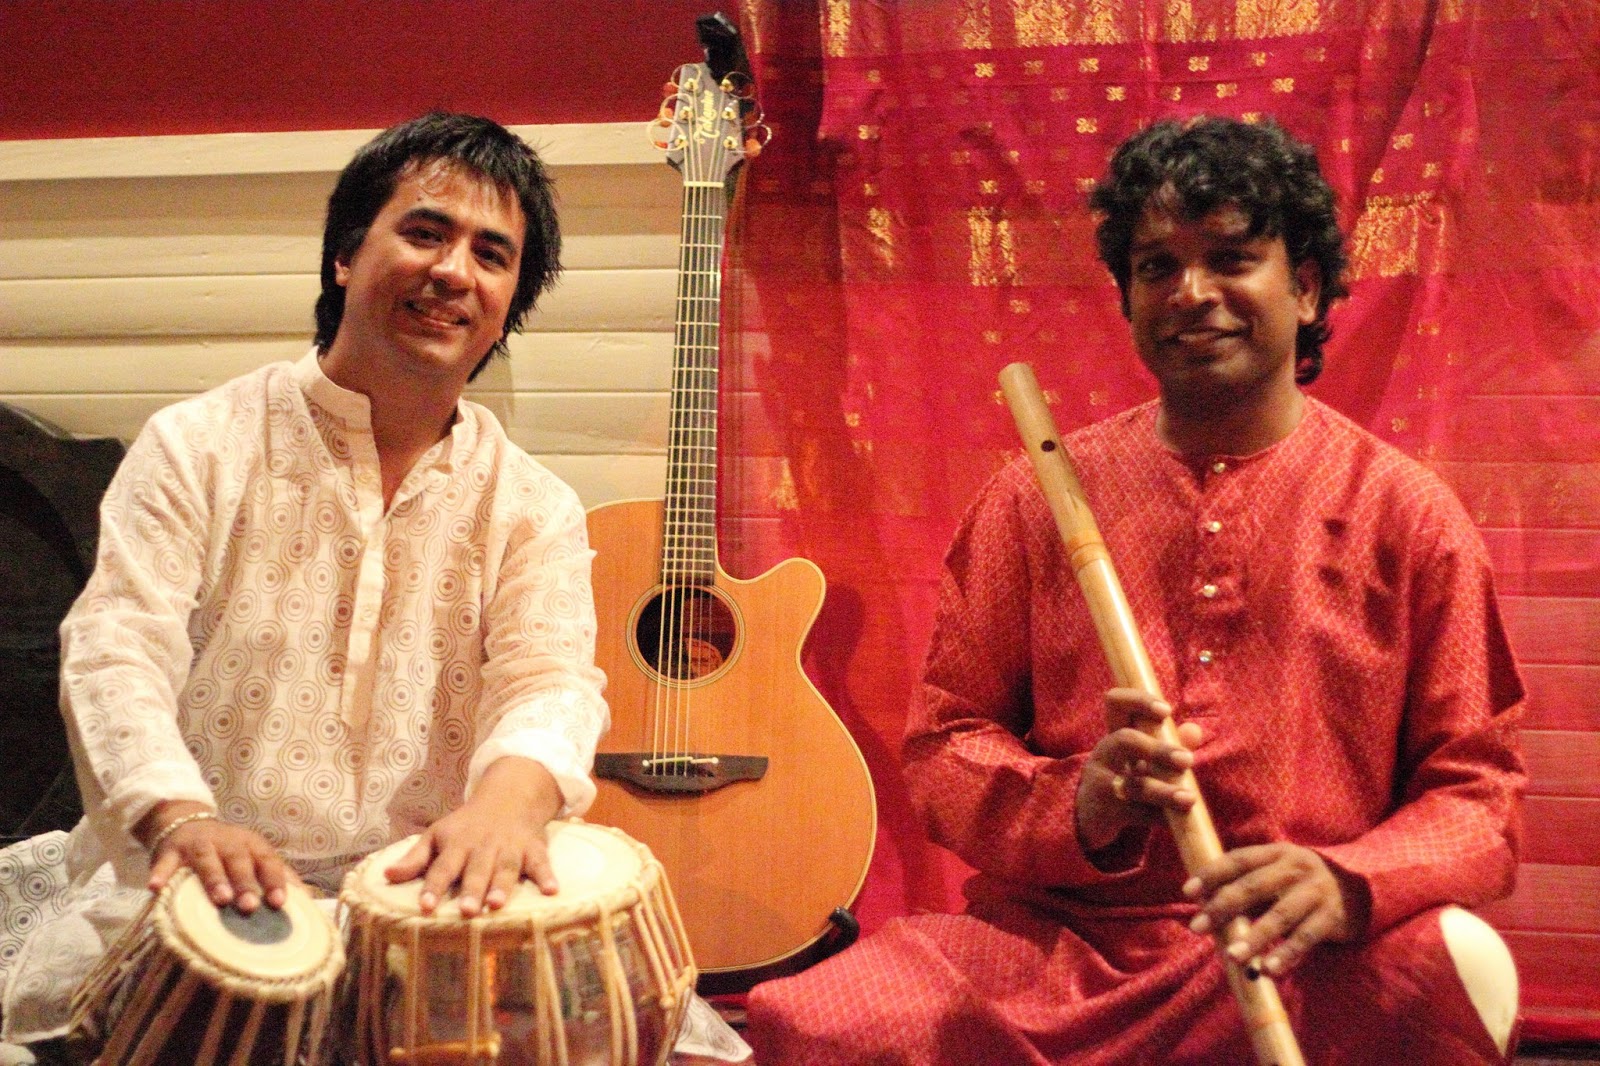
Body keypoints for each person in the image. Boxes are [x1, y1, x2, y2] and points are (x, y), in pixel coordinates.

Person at [746, 116, 1526, 1064]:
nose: (1192, 293)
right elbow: (945, 749)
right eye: (1159, 267)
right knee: (819, 1020)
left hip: (1288, 950)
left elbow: (1477, 796)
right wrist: (1082, 800)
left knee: (1450, 967)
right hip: (1056, 950)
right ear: (1129, 299)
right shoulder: (1035, 496)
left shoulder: (1407, 513)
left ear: (1307, 286)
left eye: (1231, 258)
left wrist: (1346, 881)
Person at [0, 112, 609, 1049]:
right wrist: (179, 818)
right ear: (344, 256)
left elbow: (550, 681)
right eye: (425, 232)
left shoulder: (536, 506)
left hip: (423, 898)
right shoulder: (198, 446)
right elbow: (117, 648)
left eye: (492, 255)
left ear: (508, 304)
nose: (455, 271)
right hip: (199, 888)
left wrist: (504, 810)